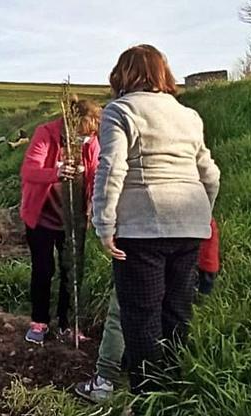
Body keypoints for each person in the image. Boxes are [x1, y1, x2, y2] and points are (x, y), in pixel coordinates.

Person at [92, 45, 220, 394]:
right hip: (190, 224)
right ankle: (174, 392)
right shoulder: (189, 116)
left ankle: (150, 399)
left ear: (123, 74)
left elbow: (112, 168)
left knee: (141, 316)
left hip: (143, 228)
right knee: (177, 312)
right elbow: (209, 174)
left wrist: (103, 225)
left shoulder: (120, 110)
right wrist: (201, 214)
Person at [75, 219, 221, 402]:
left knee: (124, 312)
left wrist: (105, 227)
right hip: (195, 249)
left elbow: (110, 191)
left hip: (145, 239)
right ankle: (166, 391)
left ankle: (107, 381)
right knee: (173, 317)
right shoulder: (192, 196)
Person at [19, 99, 102, 344]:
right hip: (42, 217)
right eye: (80, 135)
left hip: (72, 220)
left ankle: (68, 324)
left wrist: (93, 207)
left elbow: (96, 173)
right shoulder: (46, 134)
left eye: (89, 136)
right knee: (44, 269)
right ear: (68, 125)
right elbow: (29, 170)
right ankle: (39, 322)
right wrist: (56, 173)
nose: (85, 140)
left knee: (71, 271)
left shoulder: (91, 141)